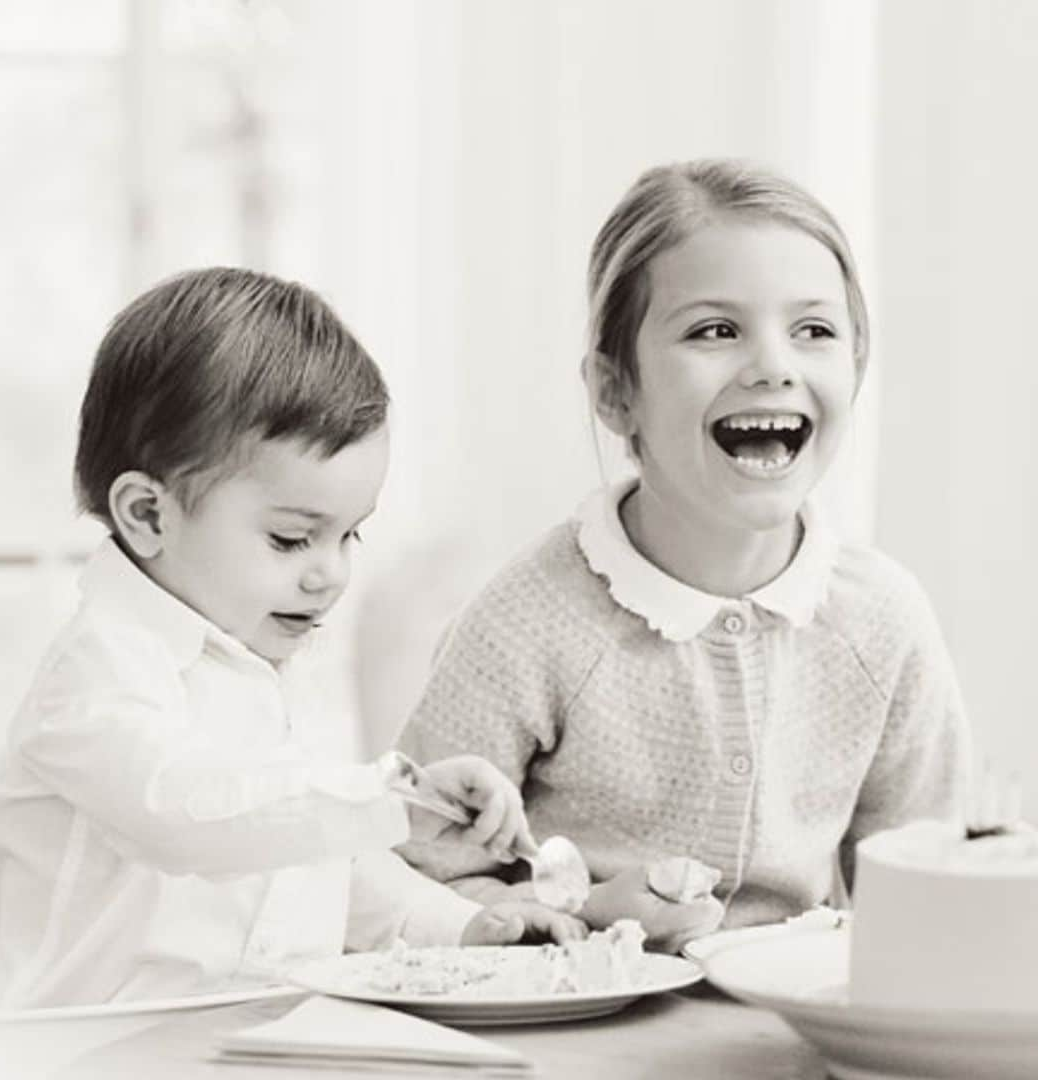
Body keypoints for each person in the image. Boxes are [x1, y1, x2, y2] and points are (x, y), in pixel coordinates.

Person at [0, 267, 581, 1011]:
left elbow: (319, 863)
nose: (332, 574)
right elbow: (185, 816)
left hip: (254, 1042)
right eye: (292, 539)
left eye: (349, 534)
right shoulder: (97, 673)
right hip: (87, 1056)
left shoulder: (256, 666)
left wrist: (467, 928)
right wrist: (385, 798)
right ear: (148, 516)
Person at [399, 160, 970, 950]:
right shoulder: (525, 622)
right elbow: (411, 883)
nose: (774, 365)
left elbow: (928, 901)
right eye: (715, 330)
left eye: (814, 331)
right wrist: (587, 915)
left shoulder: (884, 620)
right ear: (614, 391)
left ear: (857, 368)